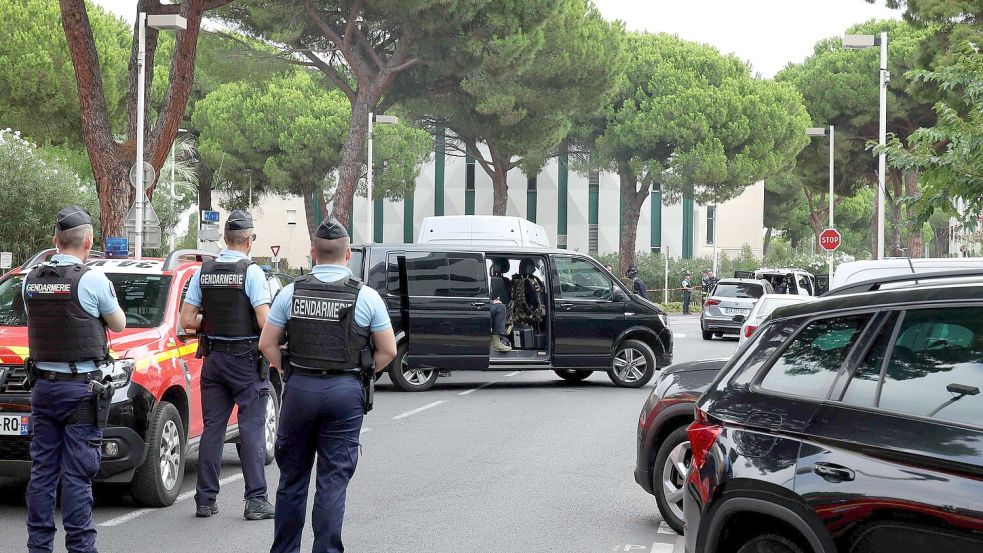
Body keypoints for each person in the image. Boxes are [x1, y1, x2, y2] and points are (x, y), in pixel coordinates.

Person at [259, 216, 397, 553]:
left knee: (292, 482)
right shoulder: (365, 297)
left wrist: (288, 368)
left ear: (312, 253)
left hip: (301, 389)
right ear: (348, 254)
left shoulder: (291, 293)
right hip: (345, 392)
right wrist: (361, 373)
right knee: (332, 483)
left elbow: (267, 345)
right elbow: (388, 350)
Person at [24, 206, 126, 553]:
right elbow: (118, 324)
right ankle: (82, 548)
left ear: (55, 241)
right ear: (89, 241)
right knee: (78, 475)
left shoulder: (30, 279)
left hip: (41, 387)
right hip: (80, 391)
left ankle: (38, 547)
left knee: (42, 472)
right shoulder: (92, 279)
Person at [180, 210, 274, 520]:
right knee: (250, 431)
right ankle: (256, 500)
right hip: (245, 361)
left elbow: (187, 321)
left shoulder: (203, 272)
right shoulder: (252, 273)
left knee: (213, 430)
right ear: (248, 240)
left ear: (225, 239)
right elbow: (264, 321)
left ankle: (205, 500)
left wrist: (214, 321)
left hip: (213, 360)